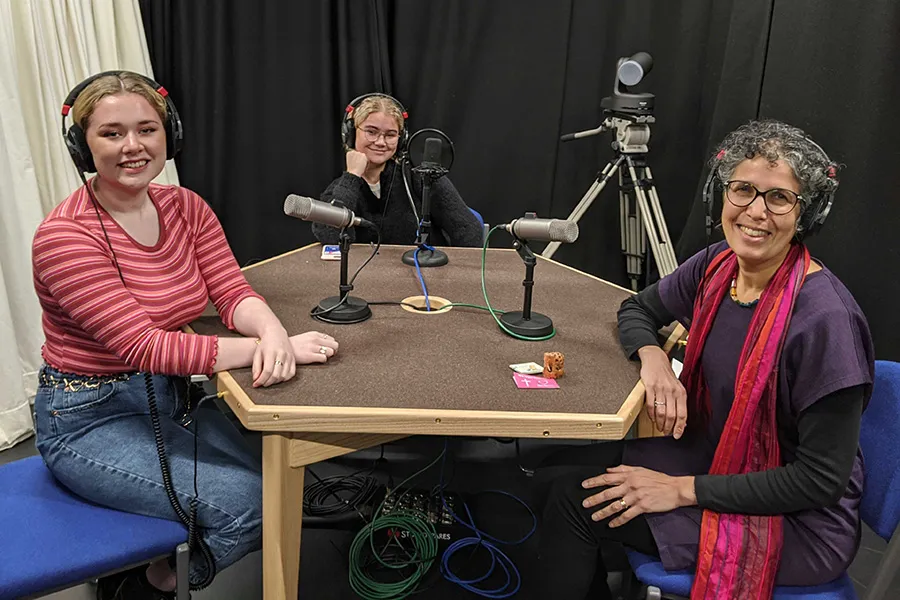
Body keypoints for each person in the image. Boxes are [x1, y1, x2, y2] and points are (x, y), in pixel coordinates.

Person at [32, 71, 340, 599]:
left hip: (170, 396)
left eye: (147, 129)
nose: (133, 146)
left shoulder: (185, 206)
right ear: (81, 144)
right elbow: (143, 345)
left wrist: (270, 328)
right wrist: (281, 349)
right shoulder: (65, 236)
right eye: (111, 133)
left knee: (285, 476)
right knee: (255, 502)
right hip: (86, 419)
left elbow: (231, 291)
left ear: (168, 135)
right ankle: (153, 583)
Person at [536, 120, 874, 599]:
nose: (755, 212)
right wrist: (653, 360)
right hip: (714, 461)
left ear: (807, 214)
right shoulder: (718, 264)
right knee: (548, 471)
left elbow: (818, 482)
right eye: (742, 190)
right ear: (723, 195)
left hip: (796, 523)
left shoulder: (826, 323)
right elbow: (637, 309)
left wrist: (680, 490)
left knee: (575, 503)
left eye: (779, 198)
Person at [311, 93, 483, 246]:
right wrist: (352, 177)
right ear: (351, 134)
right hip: (365, 279)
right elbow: (332, 239)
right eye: (371, 132)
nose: (380, 142)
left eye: (390, 135)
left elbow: (468, 231)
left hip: (426, 276)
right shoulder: (340, 189)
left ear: (401, 140)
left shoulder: (421, 177)